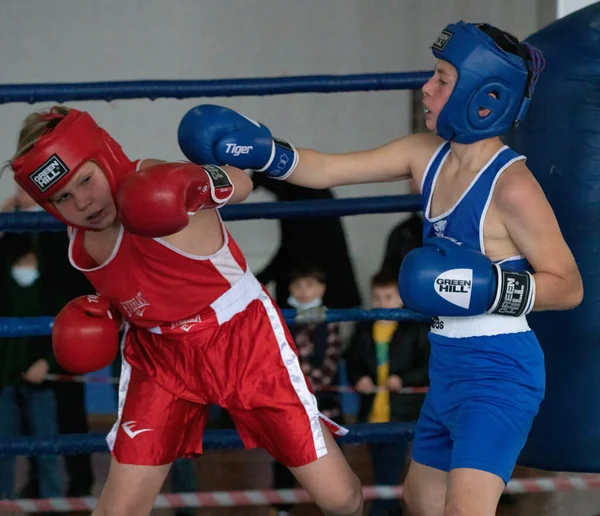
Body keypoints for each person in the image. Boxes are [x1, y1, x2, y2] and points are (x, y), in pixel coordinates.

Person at [176, 20, 584, 516]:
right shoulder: (423, 155)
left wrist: (485, 287)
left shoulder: (512, 186)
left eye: (441, 79)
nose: (426, 89)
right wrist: (262, 152)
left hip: (499, 369)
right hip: (447, 365)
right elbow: (328, 170)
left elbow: (568, 286)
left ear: (484, 96)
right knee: (422, 501)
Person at [8, 106, 364, 516]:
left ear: (104, 156)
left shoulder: (154, 181)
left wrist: (193, 181)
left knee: (340, 498)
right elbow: (142, 286)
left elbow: (242, 183)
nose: (82, 203)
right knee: (117, 509)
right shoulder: (79, 242)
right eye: (62, 197)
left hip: (240, 339)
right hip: (161, 356)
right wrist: (108, 315)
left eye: (86, 180)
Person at [346, 269, 429, 516]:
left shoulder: (414, 329)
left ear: (401, 298)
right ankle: (390, 505)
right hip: (372, 410)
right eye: (378, 297)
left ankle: (383, 508)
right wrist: (358, 378)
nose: (383, 303)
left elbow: (427, 366)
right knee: (379, 464)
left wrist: (402, 379)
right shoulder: (364, 329)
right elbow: (353, 361)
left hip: (401, 411)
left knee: (392, 465)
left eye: (388, 297)